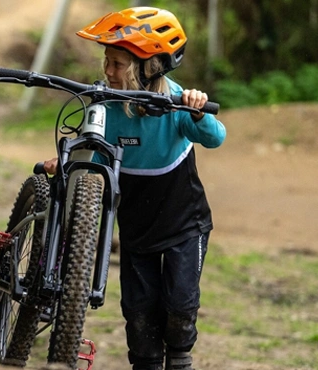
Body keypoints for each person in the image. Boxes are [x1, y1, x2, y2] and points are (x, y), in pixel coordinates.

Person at [42, 7, 226, 370]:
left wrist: (198, 111)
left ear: (150, 66)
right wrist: (65, 162)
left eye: (118, 63)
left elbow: (215, 138)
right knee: (138, 311)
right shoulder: (107, 106)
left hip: (184, 225)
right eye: (106, 61)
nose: (108, 71)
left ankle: (180, 359)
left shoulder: (175, 103)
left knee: (179, 304)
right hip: (136, 229)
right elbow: (94, 154)